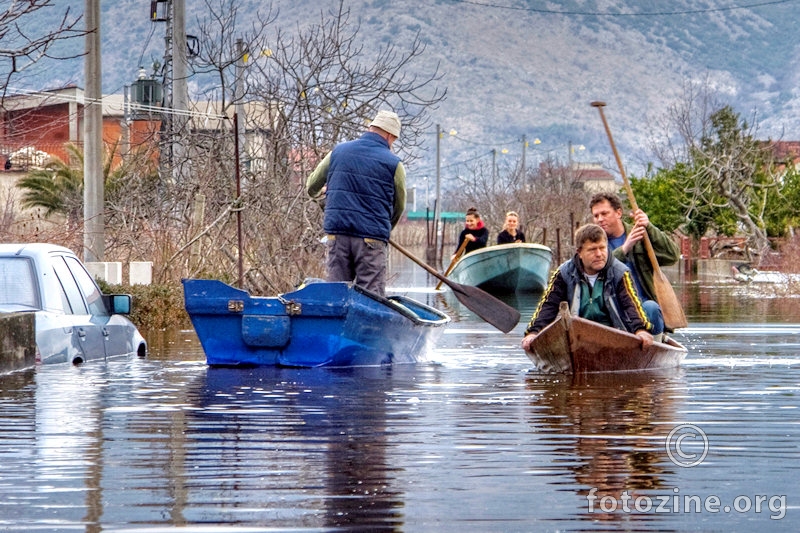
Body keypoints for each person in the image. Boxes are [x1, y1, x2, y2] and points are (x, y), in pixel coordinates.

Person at [306, 109, 406, 297]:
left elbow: (311, 186)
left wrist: (325, 205)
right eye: (393, 140)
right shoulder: (394, 164)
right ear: (390, 135)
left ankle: (335, 326)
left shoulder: (338, 152)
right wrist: (384, 230)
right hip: (371, 238)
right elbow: (399, 206)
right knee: (371, 299)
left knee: (336, 295)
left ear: (371, 128)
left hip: (337, 235)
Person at [521, 223, 654, 352]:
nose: (599, 254)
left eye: (602, 248)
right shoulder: (564, 273)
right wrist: (533, 332)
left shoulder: (620, 272)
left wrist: (641, 330)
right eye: (592, 249)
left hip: (614, 335)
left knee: (651, 307)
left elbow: (632, 305)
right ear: (579, 252)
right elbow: (548, 306)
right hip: (578, 338)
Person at [589, 192, 680, 338]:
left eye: (604, 213)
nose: (600, 219)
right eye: (596, 216)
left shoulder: (640, 234)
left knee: (651, 308)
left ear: (618, 212)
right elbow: (596, 272)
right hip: (610, 309)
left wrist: (648, 226)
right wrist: (625, 248)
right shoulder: (593, 243)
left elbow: (672, 255)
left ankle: (655, 344)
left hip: (643, 308)